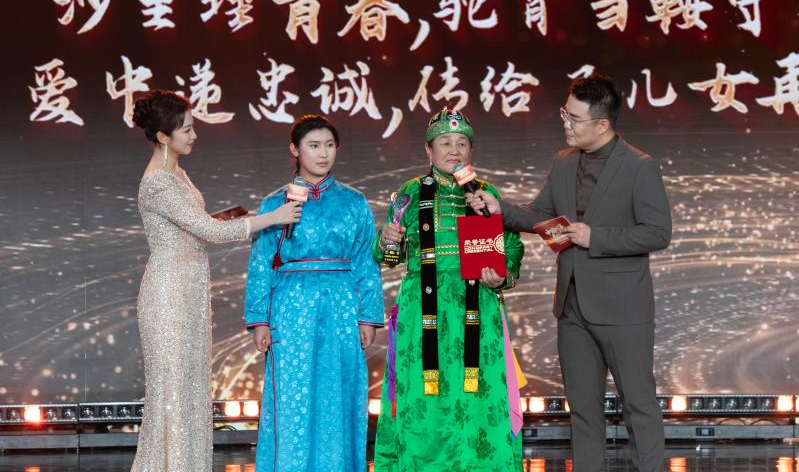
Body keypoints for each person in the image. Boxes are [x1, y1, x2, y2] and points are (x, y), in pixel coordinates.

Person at [467, 73, 672, 472]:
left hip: (623, 310)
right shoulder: (564, 161)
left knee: (638, 405)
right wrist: (499, 208)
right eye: (566, 113)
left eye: (574, 118)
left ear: (602, 123)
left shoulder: (639, 166)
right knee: (582, 409)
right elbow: (541, 215)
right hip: (572, 307)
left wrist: (596, 237)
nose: (566, 123)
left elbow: (657, 232)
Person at [132, 90, 301, 472]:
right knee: (173, 391)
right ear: (163, 136)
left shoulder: (177, 173)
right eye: (186, 130)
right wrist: (272, 218)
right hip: (169, 293)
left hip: (188, 290)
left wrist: (224, 219)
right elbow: (209, 231)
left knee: (191, 389)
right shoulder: (157, 183)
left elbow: (197, 225)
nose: (194, 135)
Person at [372, 108, 525, 472]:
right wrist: (389, 240)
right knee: (424, 395)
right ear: (428, 150)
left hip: (478, 307)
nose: (454, 150)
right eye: (445, 142)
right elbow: (387, 257)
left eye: (462, 143)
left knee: (479, 394)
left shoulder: (487, 193)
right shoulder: (409, 193)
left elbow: (512, 246)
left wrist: (502, 276)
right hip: (423, 310)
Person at [245, 114, 383, 472]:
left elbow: (366, 263)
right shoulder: (274, 204)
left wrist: (368, 316)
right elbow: (261, 264)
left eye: (330, 145)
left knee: (339, 394)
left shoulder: (354, 202)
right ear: (295, 149)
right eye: (314, 146)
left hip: (341, 308)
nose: (323, 154)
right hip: (290, 311)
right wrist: (259, 320)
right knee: (293, 396)